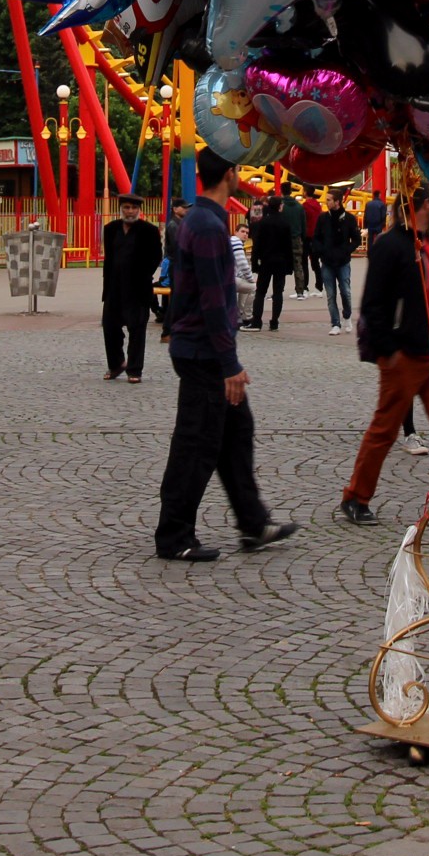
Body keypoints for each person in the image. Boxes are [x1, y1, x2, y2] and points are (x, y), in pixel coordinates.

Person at [156, 149, 296, 562]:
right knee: (195, 445)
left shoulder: (199, 221)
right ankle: (175, 536)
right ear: (231, 175)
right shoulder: (208, 226)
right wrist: (229, 364)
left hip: (199, 347)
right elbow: (215, 301)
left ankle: (253, 523)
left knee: (236, 432)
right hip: (203, 353)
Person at [340, 182, 429, 523]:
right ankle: (356, 497)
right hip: (406, 354)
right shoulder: (390, 246)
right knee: (385, 427)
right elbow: (372, 303)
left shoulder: (425, 242)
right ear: (424, 205)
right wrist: (389, 349)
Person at [101, 192, 162, 381]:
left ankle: (134, 370)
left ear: (139, 210)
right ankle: (117, 363)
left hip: (138, 289)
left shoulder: (149, 230)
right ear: (121, 209)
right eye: (126, 208)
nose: (130, 212)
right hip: (114, 287)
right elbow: (109, 257)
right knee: (110, 327)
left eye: (134, 208)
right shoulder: (111, 229)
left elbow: (156, 256)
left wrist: (144, 274)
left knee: (137, 330)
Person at [313, 188, 361, 333]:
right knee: (330, 294)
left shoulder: (349, 219)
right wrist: (321, 250)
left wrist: (347, 250)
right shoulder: (322, 218)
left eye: (328, 200)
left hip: (343, 261)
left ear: (337, 202)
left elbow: (357, 239)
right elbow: (316, 238)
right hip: (327, 262)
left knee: (345, 291)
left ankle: (347, 315)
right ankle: (335, 323)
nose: (325, 202)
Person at [248, 192, 294, 330]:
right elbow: (288, 246)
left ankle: (257, 321)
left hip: (266, 261)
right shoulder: (285, 224)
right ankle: (274, 321)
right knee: (278, 292)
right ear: (280, 207)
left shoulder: (263, 223)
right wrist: (290, 265)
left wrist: (254, 262)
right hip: (280, 261)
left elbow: (257, 244)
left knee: (261, 292)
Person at [293, 185, 317, 299]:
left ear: (306, 192)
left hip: (307, 235)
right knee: (315, 261)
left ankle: (305, 286)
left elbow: (303, 221)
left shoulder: (305, 206)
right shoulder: (317, 205)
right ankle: (319, 286)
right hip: (316, 235)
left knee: (304, 262)